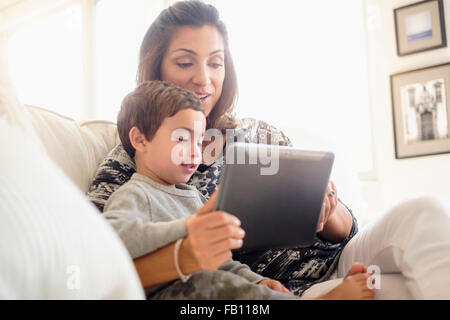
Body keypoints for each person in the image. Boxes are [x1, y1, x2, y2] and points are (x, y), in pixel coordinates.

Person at [88, 0, 450, 299]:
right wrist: (187, 253)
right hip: (280, 291)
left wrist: (327, 208)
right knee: (392, 289)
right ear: (155, 68)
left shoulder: (257, 133)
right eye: (185, 62)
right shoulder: (133, 162)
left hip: (340, 258)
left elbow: (348, 230)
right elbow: (99, 263)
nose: (204, 78)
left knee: (424, 211)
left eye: (215, 62)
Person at [102, 79, 373, 300]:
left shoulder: (192, 197)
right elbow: (115, 243)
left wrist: (258, 280)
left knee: (225, 282)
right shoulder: (133, 194)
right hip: (169, 294)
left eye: (199, 141)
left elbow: (221, 262)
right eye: (182, 138)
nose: (195, 152)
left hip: (207, 288)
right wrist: (190, 226)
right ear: (139, 139)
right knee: (209, 281)